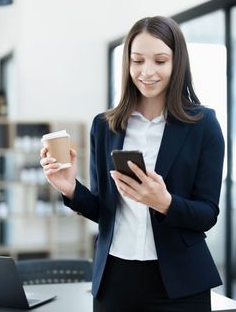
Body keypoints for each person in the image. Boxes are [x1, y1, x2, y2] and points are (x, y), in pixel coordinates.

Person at [40, 16, 224, 312]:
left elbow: (207, 214)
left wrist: (164, 202)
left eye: (160, 61)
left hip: (180, 286)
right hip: (115, 281)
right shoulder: (105, 126)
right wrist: (71, 189)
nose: (147, 72)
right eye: (137, 61)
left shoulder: (203, 125)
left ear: (178, 63)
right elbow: (104, 211)